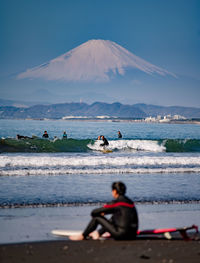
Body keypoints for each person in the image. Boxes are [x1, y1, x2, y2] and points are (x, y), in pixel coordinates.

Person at [69, 181, 138, 241]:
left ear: (114, 191)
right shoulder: (130, 202)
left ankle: (83, 236)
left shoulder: (116, 202)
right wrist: (106, 212)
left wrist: (103, 212)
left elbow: (94, 212)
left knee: (96, 218)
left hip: (121, 235)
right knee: (115, 216)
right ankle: (98, 233)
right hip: (133, 235)